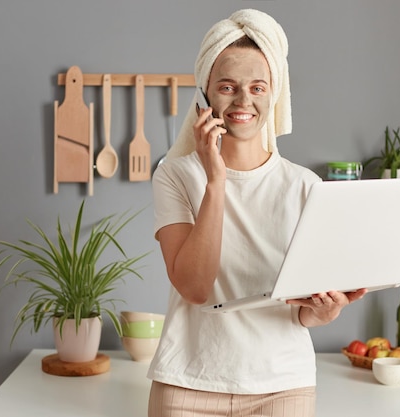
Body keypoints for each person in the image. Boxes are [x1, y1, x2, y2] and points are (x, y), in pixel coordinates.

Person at [148, 9, 367, 417]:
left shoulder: (305, 187)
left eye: (258, 87)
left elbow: (304, 311)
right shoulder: (174, 176)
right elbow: (195, 288)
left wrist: (326, 308)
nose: (243, 101)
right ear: (204, 94)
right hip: (188, 382)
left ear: (273, 94)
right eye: (228, 86)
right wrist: (215, 181)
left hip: (282, 386)